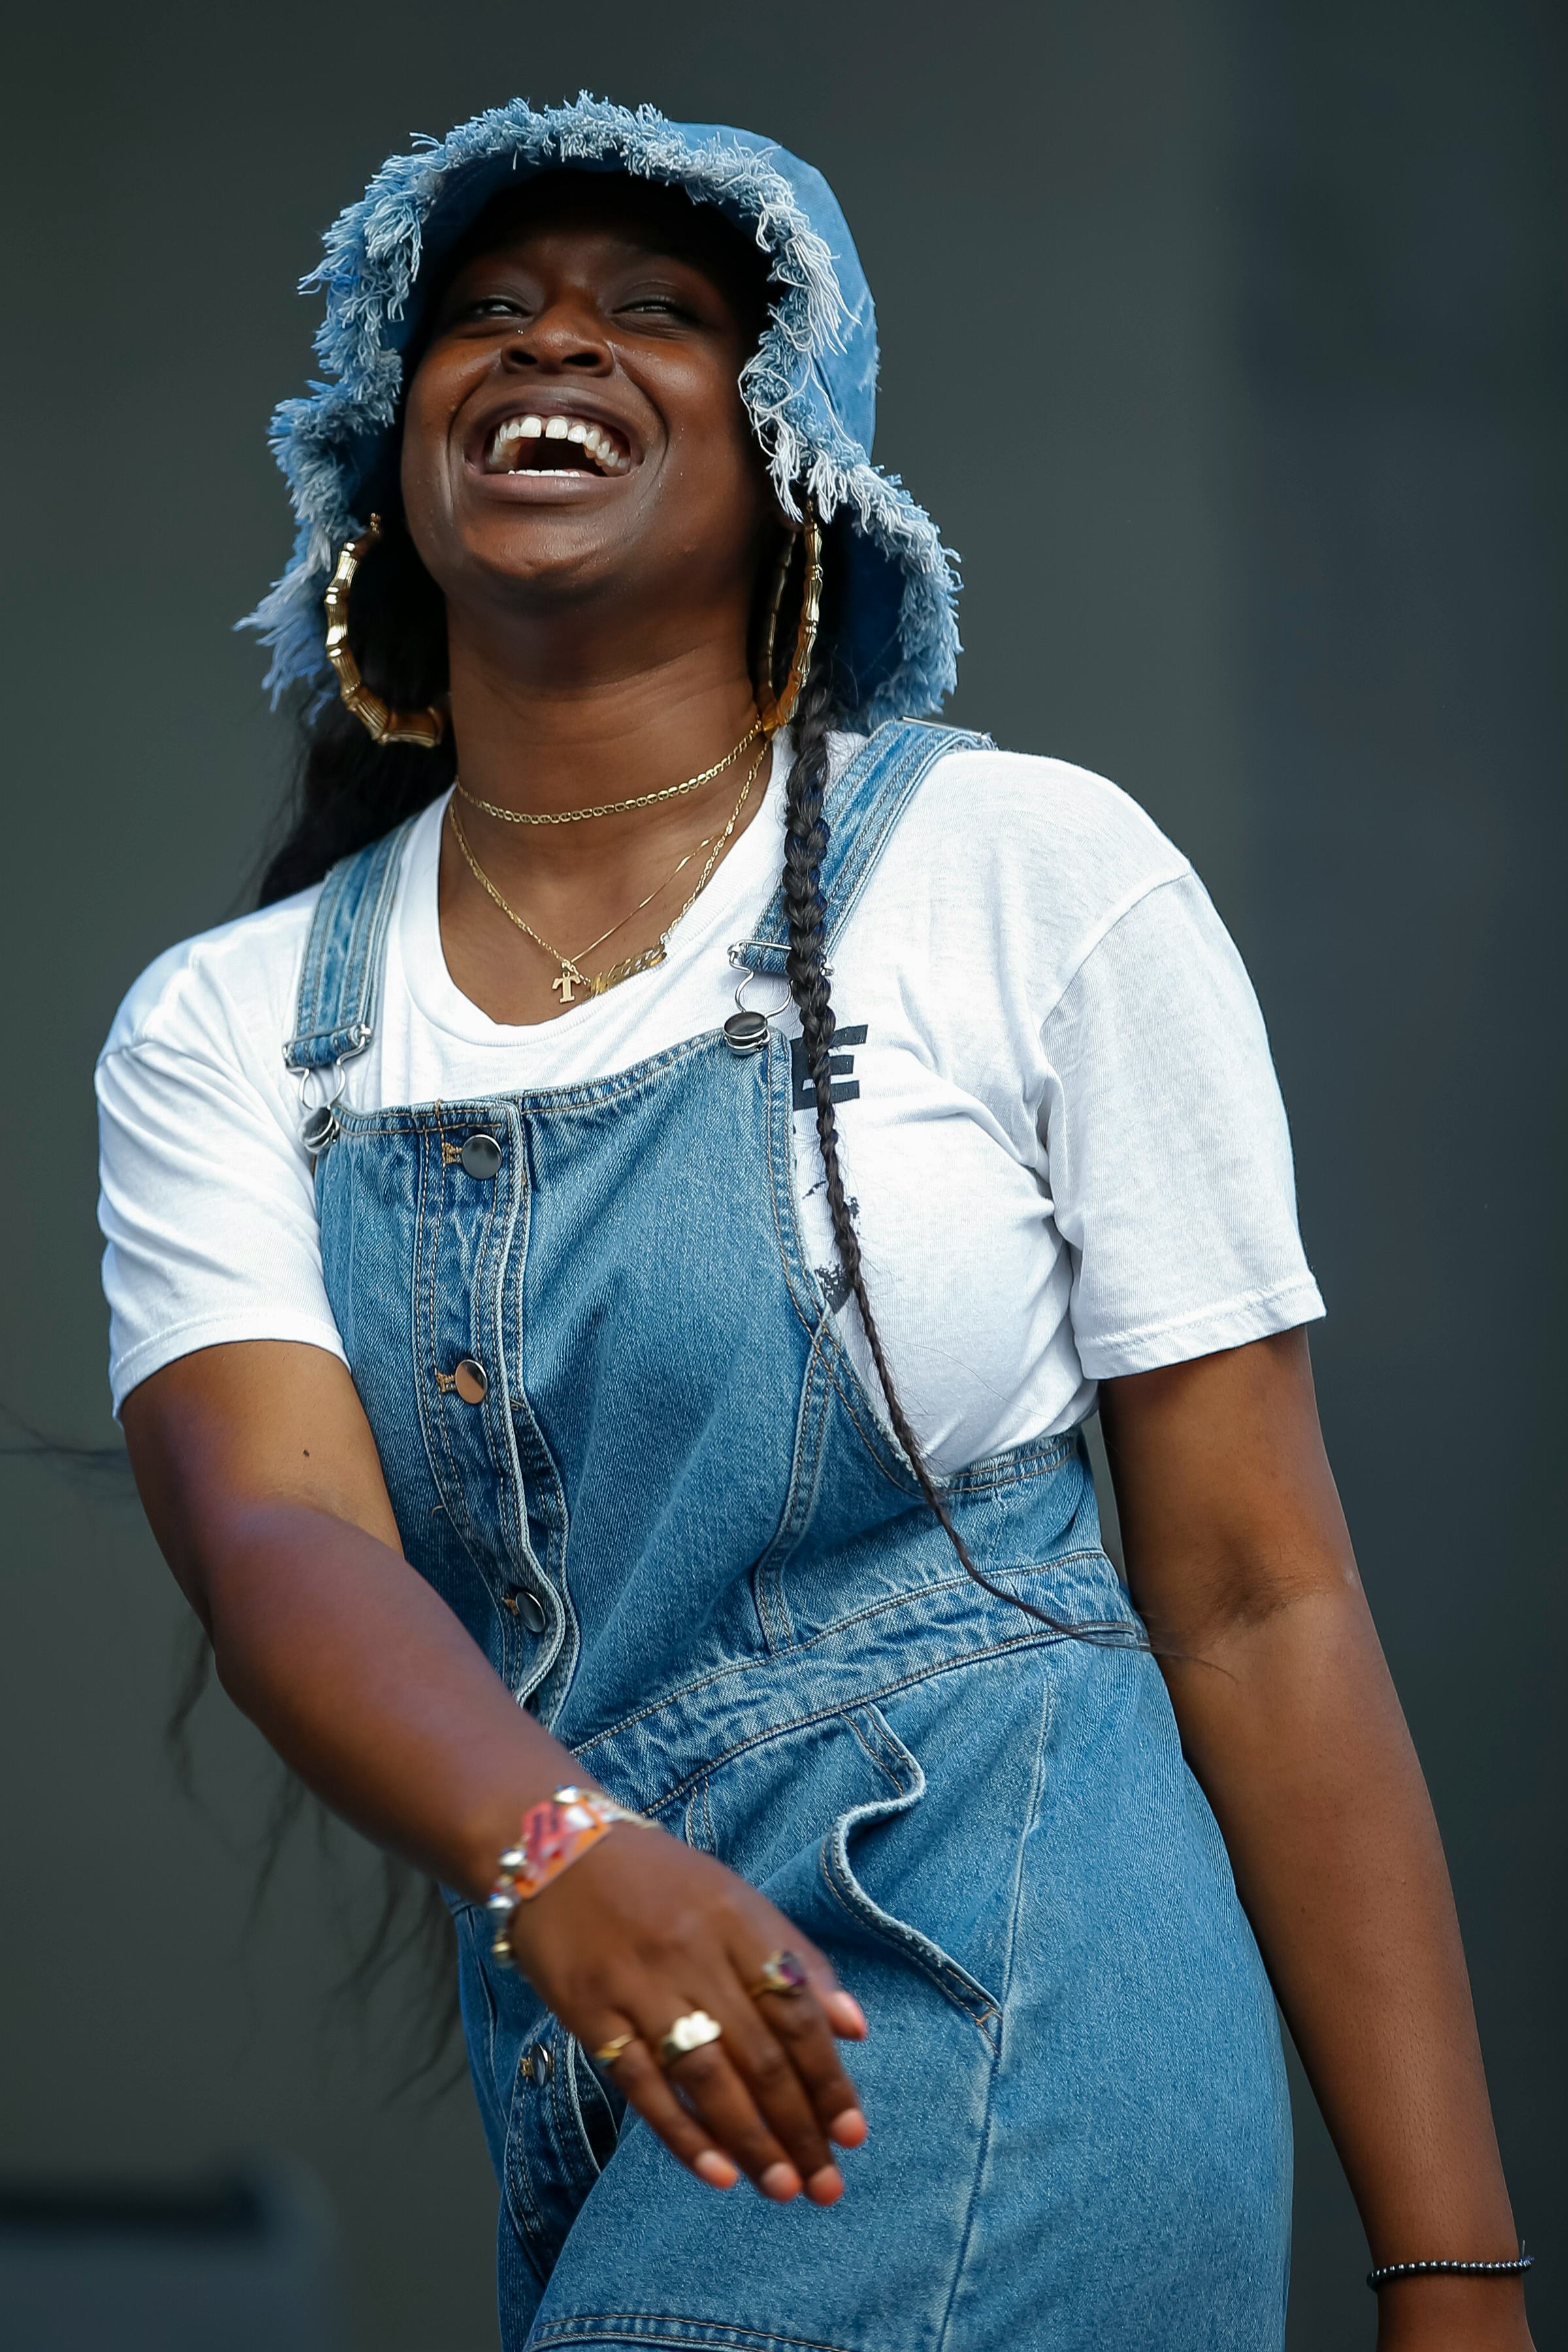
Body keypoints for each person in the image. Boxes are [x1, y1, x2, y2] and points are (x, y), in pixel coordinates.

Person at [96, 97, 1533, 2352]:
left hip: (1010, 1975)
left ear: (794, 462)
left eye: (651, 313)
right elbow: (281, 1546)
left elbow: (1259, 1596)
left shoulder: (1028, 875)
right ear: (389, 467)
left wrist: (1453, 2280)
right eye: (481, 313)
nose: (548, 341)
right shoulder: (244, 1027)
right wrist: (557, 1852)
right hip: (611, 2064)